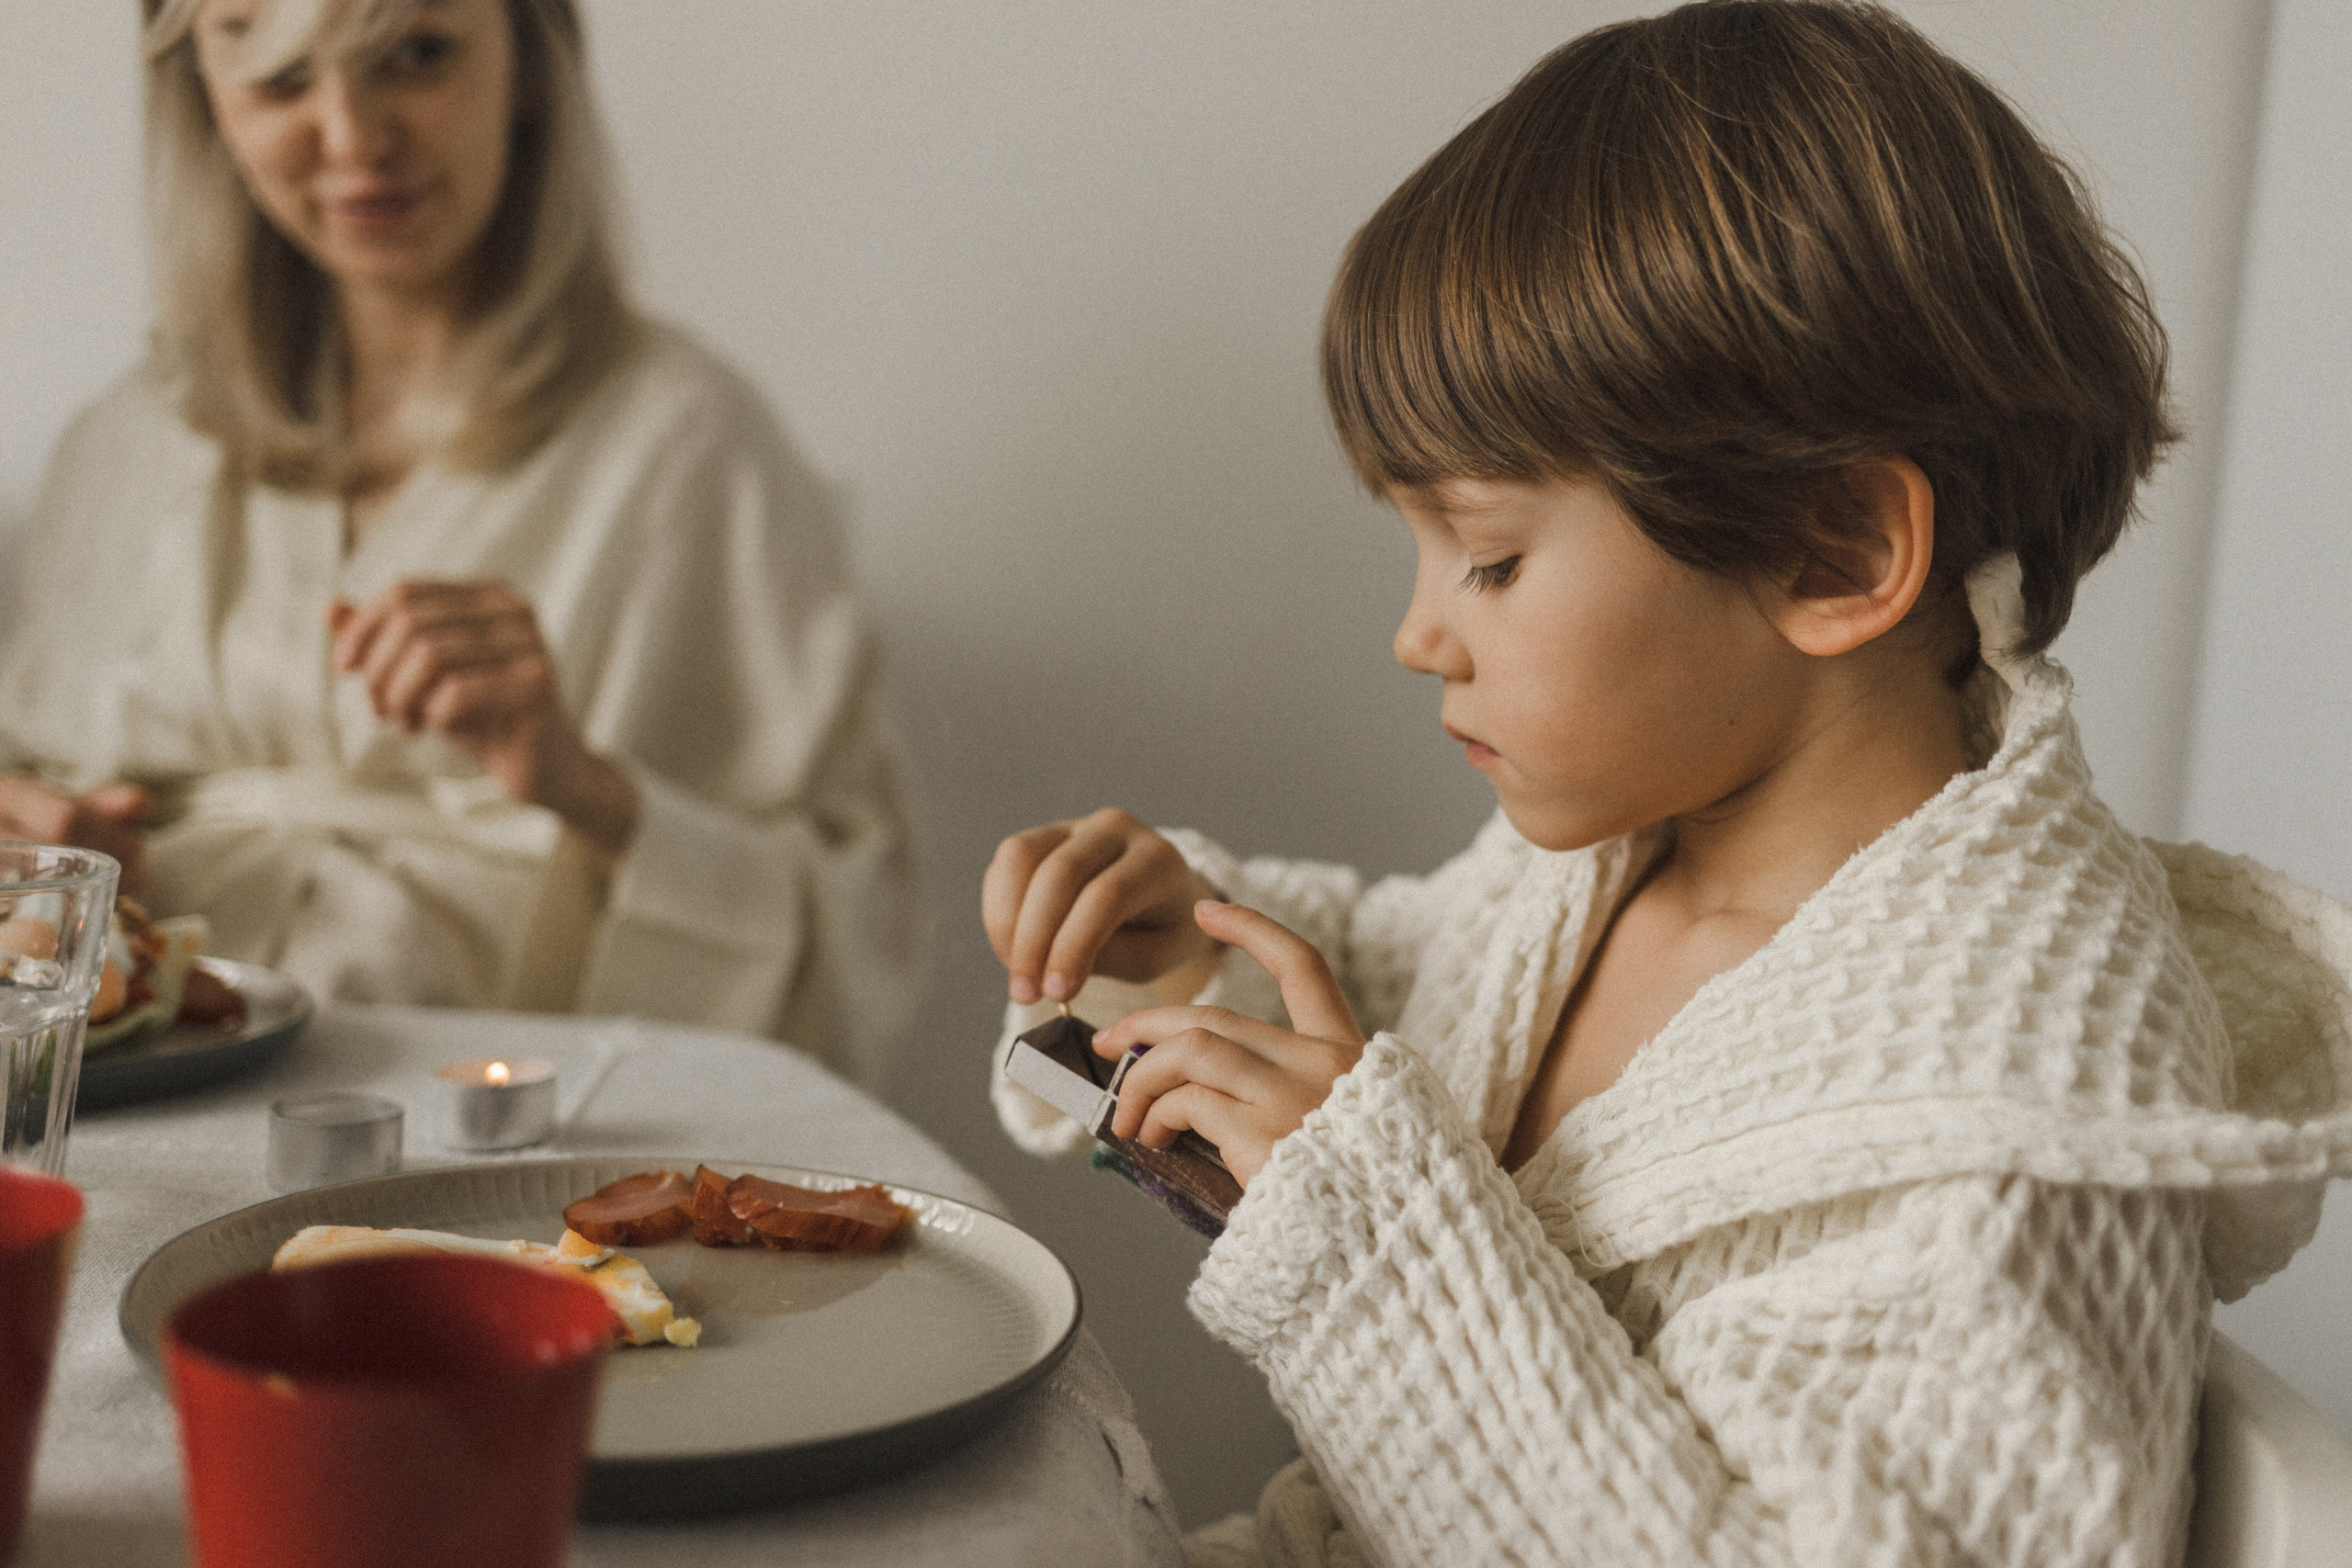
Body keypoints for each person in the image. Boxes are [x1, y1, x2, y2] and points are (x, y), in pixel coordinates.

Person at [980, 4, 2352, 1562]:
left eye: (1489, 558)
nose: (1417, 631)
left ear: (1832, 551)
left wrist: (1363, 1236)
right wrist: (1195, 956)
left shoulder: (2007, 1117)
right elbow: (1434, 996)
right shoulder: (1641, 850)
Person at [0, 0, 921, 1082]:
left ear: (528, 59)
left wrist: (579, 783)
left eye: (418, 55)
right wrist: (57, 855)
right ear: (204, 96)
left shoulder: (692, 449)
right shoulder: (130, 445)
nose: (354, 139)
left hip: (516, 1143)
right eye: (284, 79)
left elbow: (859, 934)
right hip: (158, 1105)